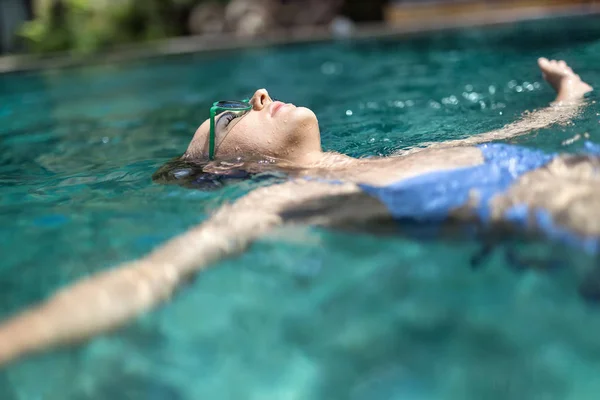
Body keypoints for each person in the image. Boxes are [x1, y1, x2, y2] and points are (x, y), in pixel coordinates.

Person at [0, 58, 595, 367]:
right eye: (230, 117)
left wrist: (569, 97)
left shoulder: (390, 157)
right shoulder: (280, 200)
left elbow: (523, 131)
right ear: (225, 169)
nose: (257, 97)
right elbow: (149, 277)